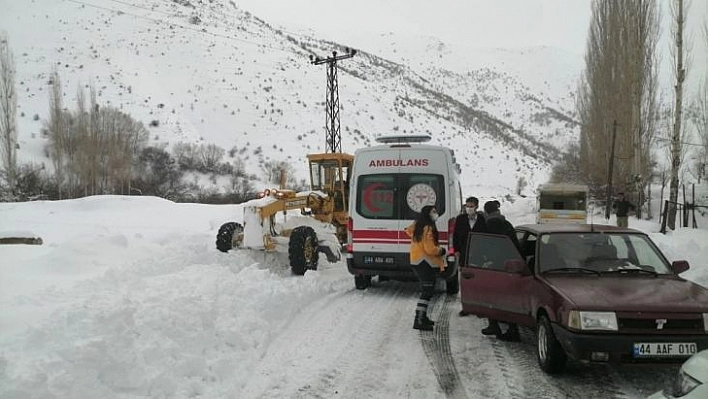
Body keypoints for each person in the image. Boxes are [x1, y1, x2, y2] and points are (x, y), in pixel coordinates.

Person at [481, 200, 522, 341]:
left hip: (495, 267)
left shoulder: (488, 225)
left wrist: (485, 260)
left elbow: (486, 246)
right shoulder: (507, 224)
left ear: (486, 212)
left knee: (491, 297)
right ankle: (512, 328)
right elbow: (515, 244)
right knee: (507, 298)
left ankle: (496, 325)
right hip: (510, 265)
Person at [404, 205, 447, 331]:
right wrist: (441, 250)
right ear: (427, 214)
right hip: (425, 262)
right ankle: (419, 319)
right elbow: (430, 249)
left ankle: (422, 317)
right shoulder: (427, 228)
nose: (435, 213)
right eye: (433, 211)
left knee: (427, 291)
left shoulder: (418, 226)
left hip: (417, 261)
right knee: (427, 292)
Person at [453, 196, 487, 265]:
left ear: (476, 207)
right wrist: (456, 250)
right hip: (463, 251)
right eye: (467, 206)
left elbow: (484, 236)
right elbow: (455, 235)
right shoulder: (460, 219)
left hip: (478, 253)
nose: (469, 208)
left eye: (471, 206)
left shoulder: (481, 219)